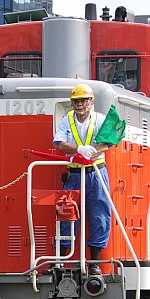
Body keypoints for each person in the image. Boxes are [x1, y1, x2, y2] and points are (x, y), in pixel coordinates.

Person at [52, 84, 114, 275]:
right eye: (77, 101)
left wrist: (94, 151)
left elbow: (109, 141)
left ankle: (94, 263)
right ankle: (59, 262)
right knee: (66, 215)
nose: (80, 104)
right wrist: (78, 149)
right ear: (72, 103)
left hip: (96, 173)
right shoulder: (66, 120)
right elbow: (59, 143)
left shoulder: (100, 119)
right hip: (74, 175)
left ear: (91, 101)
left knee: (100, 215)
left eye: (84, 100)